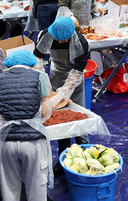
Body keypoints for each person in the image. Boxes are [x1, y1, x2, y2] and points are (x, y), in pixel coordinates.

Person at [0, 50, 52, 201]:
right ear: (31, 63)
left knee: (9, 189)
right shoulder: (38, 76)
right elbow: (45, 110)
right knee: (36, 187)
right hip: (32, 142)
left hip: (6, 141)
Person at [34, 17, 90, 157]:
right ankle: (63, 155)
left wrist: (62, 94)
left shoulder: (82, 43)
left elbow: (77, 73)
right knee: (60, 118)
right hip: (56, 75)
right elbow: (37, 58)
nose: (59, 42)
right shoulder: (46, 34)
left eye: (63, 40)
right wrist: (42, 79)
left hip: (74, 82)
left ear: (71, 35)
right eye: (57, 38)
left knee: (79, 117)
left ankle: (84, 153)